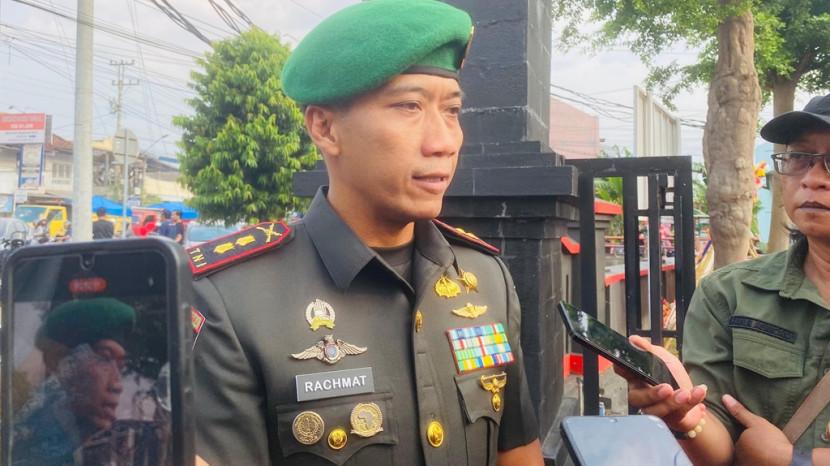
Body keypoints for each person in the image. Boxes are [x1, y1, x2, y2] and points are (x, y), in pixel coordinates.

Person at [189, 1, 543, 465]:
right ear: (325, 128)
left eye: (452, 110)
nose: (443, 142)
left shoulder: (485, 278)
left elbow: (516, 450)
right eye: (409, 106)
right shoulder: (232, 300)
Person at [618, 93, 830, 465]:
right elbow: (718, 448)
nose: (812, 179)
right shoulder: (729, 293)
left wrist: (795, 460)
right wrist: (685, 415)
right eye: (800, 158)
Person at [13, 298, 136, 465]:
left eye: (121, 367)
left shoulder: (109, 442)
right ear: (64, 364)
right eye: (105, 358)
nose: (118, 384)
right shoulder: (29, 444)